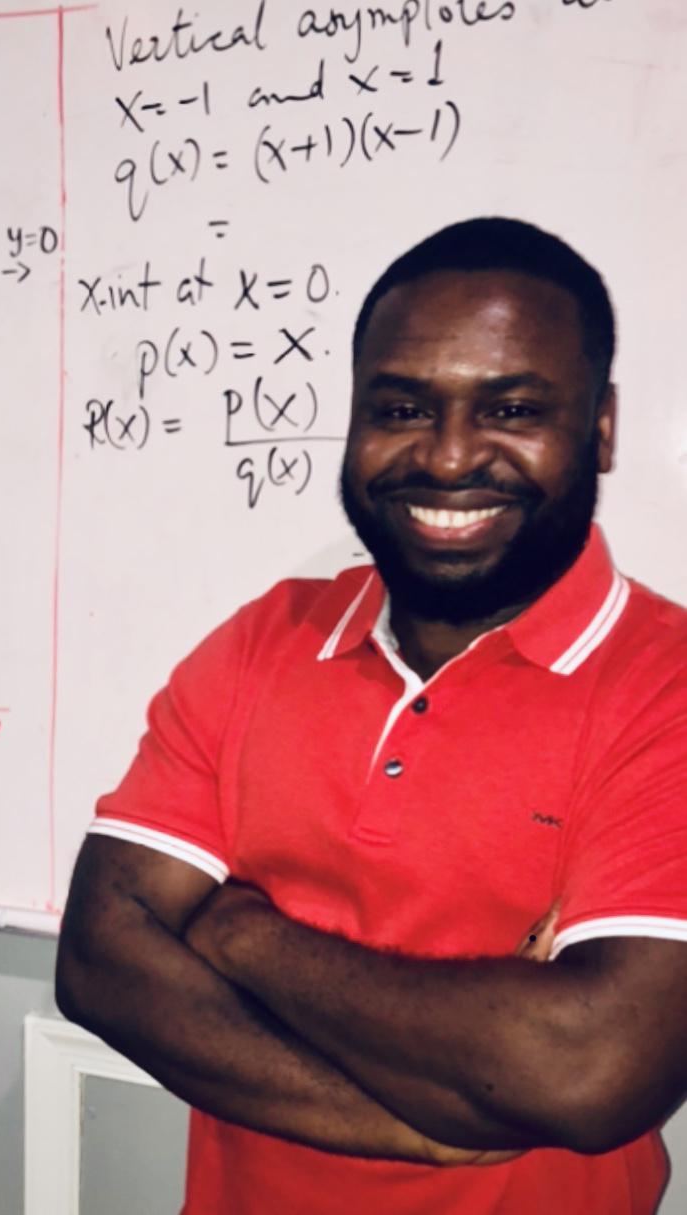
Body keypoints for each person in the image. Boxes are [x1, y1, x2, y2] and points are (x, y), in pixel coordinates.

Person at [55, 217, 687, 1214]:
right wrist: (415, 1130)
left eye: (512, 409)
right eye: (401, 408)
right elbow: (100, 957)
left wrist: (240, 932)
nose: (449, 456)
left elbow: (590, 1067)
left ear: (600, 427)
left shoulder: (666, 685)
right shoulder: (265, 639)